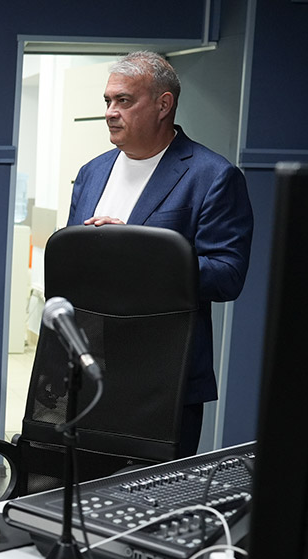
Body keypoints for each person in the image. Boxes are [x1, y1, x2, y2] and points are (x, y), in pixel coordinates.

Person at [66, 51, 253, 456]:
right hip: (89, 371)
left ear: (164, 104)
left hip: (164, 379)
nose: (110, 112)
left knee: (154, 493)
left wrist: (140, 253)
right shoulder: (91, 172)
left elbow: (227, 275)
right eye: (108, 101)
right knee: (83, 488)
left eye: (124, 100)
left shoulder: (212, 176)